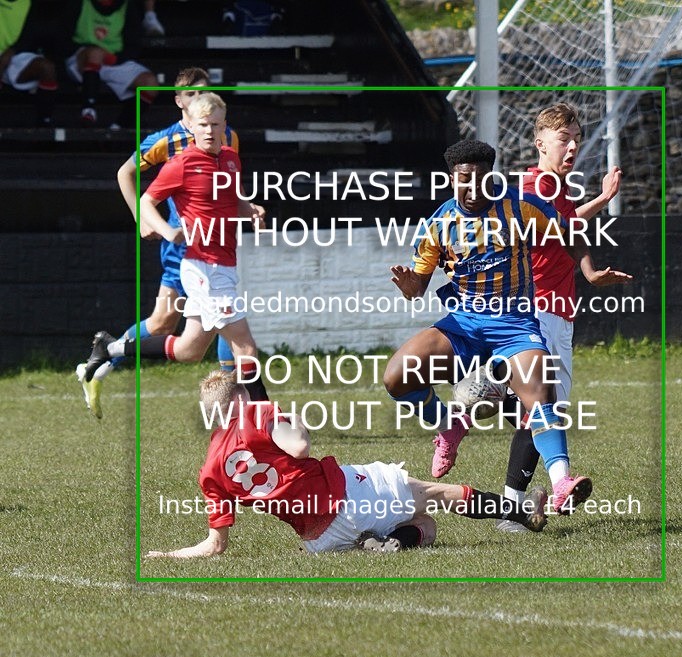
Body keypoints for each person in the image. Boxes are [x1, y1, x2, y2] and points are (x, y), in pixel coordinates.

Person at [382, 139, 590, 515]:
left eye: (479, 179)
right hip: (463, 324)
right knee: (397, 375)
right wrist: (408, 284)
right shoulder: (439, 223)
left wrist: (589, 271)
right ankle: (447, 423)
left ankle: (561, 483)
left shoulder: (520, 207)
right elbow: (418, 289)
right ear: (451, 179)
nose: (471, 188)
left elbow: (569, 233)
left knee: (540, 396)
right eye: (463, 180)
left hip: (514, 325)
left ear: (490, 177)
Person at [454, 103, 632, 529]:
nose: (572, 146)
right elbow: (565, 231)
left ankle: (512, 509)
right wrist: (589, 272)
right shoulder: (540, 186)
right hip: (544, 307)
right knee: (545, 410)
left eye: (576, 138)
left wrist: (603, 200)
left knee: (539, 411)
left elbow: (563, 223)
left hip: (550, 310)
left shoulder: (549, 188)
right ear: (539, 143)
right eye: (563, 139)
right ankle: (489, 385)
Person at [146, 370, 548, 558]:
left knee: (426, 528)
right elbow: (301, 448)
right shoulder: (256, 413)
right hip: (343, 495)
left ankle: (387, 544)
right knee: (434, 495)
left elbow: (215, 546)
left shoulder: (210, 471)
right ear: (238, 401)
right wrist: (293, 417)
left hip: (319, 540)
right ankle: (522, 510)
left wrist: (168, 556)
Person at [82, 93, 269, 402]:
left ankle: (111, 347)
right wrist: (167, 231)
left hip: (224, 262)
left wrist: (251, 211)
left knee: (188, 349)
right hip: (204, 267)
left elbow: (231, 202)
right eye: (203, 125)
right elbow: (146, 201)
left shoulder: (230, 158)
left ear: (225, 125)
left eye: (216, 124)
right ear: (191, 127)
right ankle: (265, 421)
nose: (210, 131)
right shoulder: (181, 163)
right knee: (245, 345)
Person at [64, 0, 158, 128]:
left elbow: (134, 45)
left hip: (113, 59)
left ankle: (119, 126)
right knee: (95, 54)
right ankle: (88, 110)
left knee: (150, 83)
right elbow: (62, 39)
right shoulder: (79, 3)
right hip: (81, 59)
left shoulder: (127, 5)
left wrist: (114, 59)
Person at [0, 0, 59, 126]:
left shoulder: (29, 3)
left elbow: (28, 35)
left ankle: (44, 126)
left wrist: (11, 52)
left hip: (13, 54)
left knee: (47, 68)